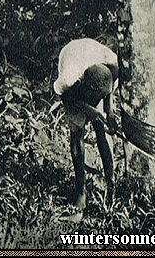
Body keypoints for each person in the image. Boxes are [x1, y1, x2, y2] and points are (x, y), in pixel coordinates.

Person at [54, 38, 118, 210]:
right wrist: (90, 110)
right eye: (94, 98)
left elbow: (108, 89)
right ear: (85, 87)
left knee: (101, 130)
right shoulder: (69, 77)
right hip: (72, 56)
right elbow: (65, 96)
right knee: (77, 132)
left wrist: (109, 111)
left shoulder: (112, 64)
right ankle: (81, 192)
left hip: (94, 59)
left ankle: (111, 184)